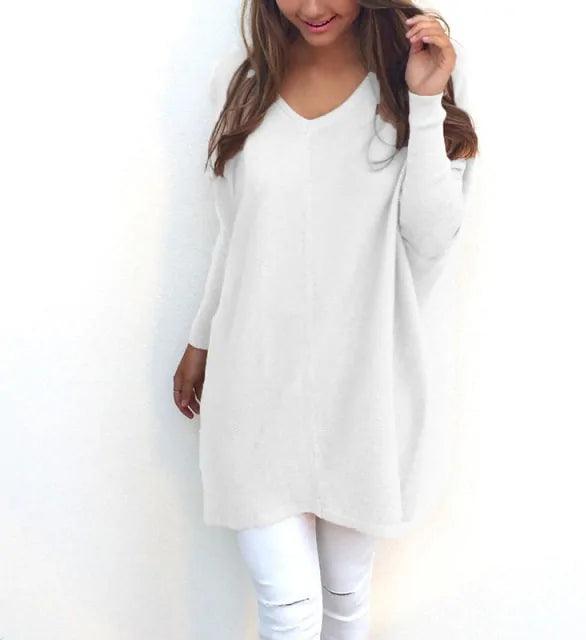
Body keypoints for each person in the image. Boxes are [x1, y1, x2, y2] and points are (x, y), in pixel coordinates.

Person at [173, 1, 478, 637]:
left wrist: (426, 104)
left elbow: (431, 238)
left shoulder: (413, 77)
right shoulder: (244, 83)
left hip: (362, 389)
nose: (311, 8)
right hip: (253, 379)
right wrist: (201, 339)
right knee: (288, 610)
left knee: (344, 599)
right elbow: (235, 231)